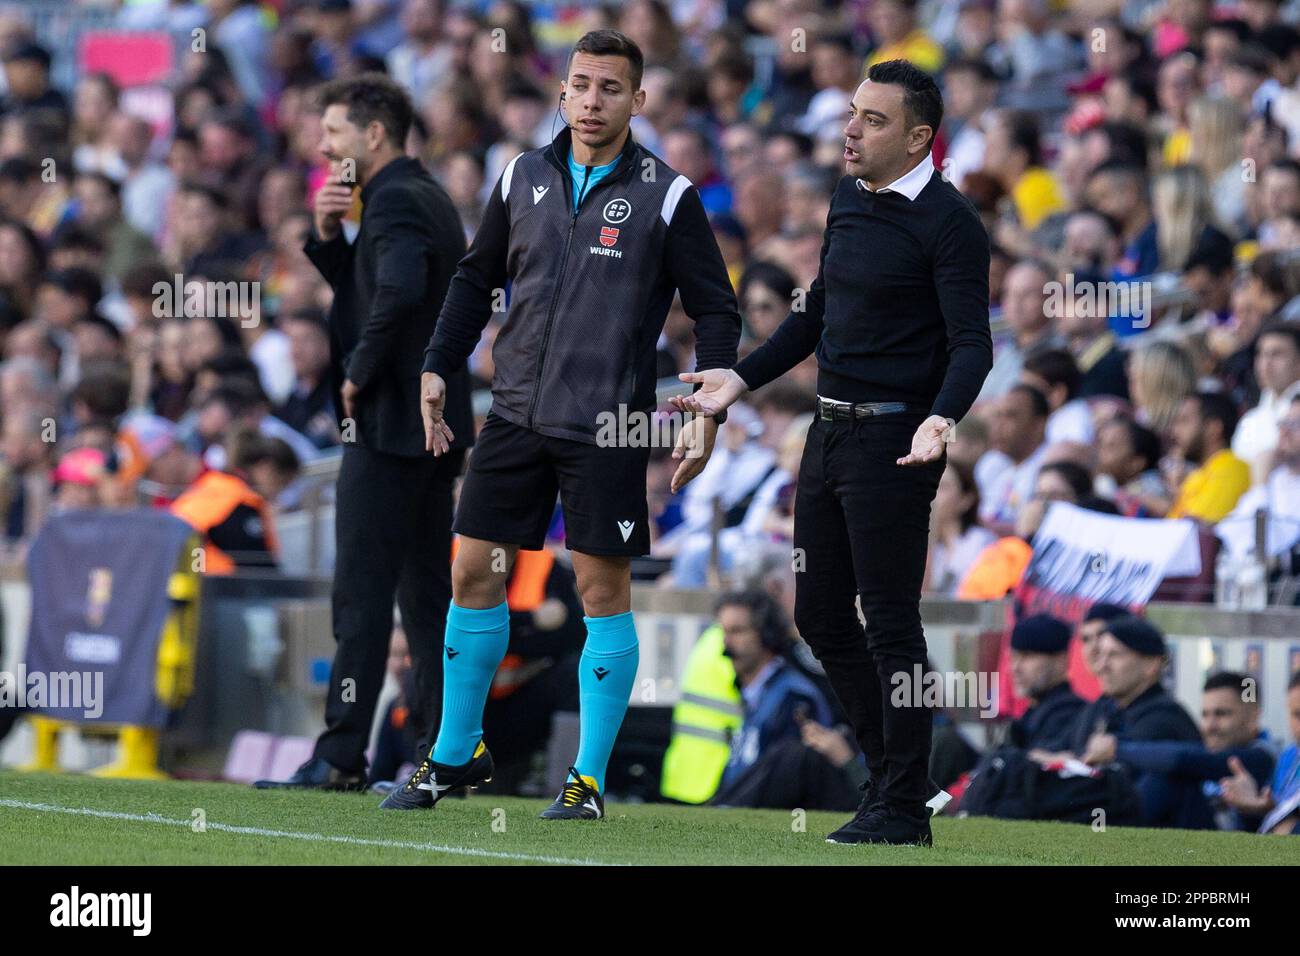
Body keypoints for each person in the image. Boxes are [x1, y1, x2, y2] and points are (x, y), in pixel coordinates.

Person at [388, 30, 740, 819]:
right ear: (562, 92)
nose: (591, 101)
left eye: (610, 88)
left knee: (599, 590)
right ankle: (454, 752)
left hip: (605, 426)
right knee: (470, 571)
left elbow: (717, 308)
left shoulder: (668, 195)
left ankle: (585, 782)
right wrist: (439, 363)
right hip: (512, 412)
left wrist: (710, 401)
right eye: (580, 85)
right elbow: (476, 279)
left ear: (638, 100)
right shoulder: (521, 175)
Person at [677, 60, 992, 845]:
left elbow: (973, 345)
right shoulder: (848, 199)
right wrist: (739, 380)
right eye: (851, 113)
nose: (850, 129)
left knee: (890, 620)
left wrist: (941, 418)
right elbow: (816, 313)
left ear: (919, 138)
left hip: (894, 439)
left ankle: (897, 803)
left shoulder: (951, 223)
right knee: (818, 612)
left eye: (873, 120)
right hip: (825, 432)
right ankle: (901, 782)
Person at [255, 73, 473, 791]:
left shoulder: (396, 200)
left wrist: (358, 370)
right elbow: (382, 287)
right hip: (426, 428)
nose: (322, 146)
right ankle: (446, 753)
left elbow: (403, 293)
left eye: (336, 133)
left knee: (362, 595)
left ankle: (342, 754)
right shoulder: (417, 194)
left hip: (388, 426)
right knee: (423, 596)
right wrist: (328, 240)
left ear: (373, 135)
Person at [1097, 671, 1276, 830]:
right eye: (1205, 715)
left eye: (1222, 714)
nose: (1210, 725)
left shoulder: (1262, 756)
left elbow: (1181, 759)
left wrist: (1116, 749)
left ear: (1253, 717)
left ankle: (1110, 832)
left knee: (1171, 777)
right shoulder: (1213, 751)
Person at [1005, 614, 1085, 750]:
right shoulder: (1033, 713)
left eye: (1027, 656)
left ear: (1060, 660)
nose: (1015, 668)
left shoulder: (1070, 715)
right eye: (1013, 658)